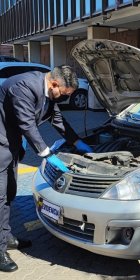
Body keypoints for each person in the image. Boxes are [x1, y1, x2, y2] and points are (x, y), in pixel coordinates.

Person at [0, 65, 92, 272]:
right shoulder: (23, 86)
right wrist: (46, 154)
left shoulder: (49, 93)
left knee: (9, 193)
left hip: (12, 145)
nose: (64, 99)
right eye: (64, 94)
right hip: (0, 145)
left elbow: (58, 121)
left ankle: (5, 237)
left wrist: (77, 143)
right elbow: (27, 125)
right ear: (54, 84)